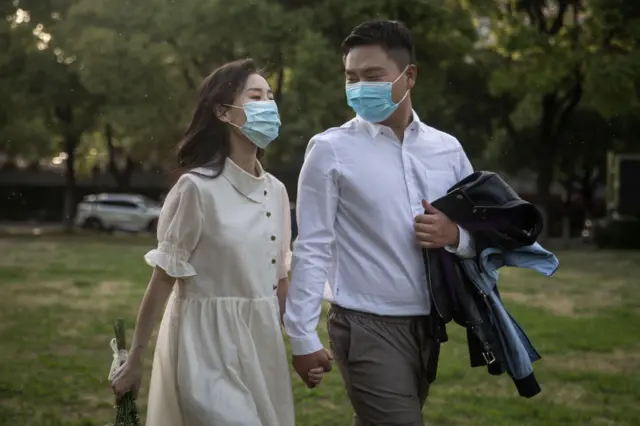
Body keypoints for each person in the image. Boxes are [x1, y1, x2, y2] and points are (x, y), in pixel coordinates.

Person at [109, 58, 322, 426]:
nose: (268, 105)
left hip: (262, 346)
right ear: (223, 112)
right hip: (204, 346)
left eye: (270, 97)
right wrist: (135, 360)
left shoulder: (276, 192)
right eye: (255, 96)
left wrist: (305, 346)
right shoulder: (196, 189)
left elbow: (279, 279)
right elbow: (163, 278)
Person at [284, 20, 475, 425]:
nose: (358, 87)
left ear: (410, 77)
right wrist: (302, 336)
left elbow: (485, 235)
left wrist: (455, 235)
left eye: (372, 76)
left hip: (429, 323)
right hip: (364, 324)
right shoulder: (330, 150)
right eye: (351, 77)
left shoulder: (448, 150)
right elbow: (311, 246)